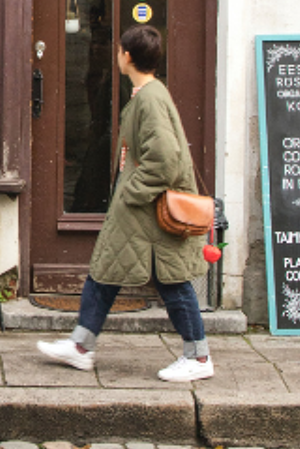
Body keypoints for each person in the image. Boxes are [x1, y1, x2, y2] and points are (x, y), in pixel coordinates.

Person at [38, 25, 213, 382]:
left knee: (172, 282)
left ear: (128, 56)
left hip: (146, 212)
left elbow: (164, 158)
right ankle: (81, 346)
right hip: (139, 213)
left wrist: (130, 193)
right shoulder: (148, 93)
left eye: (119, 50)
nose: (116, 54)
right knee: (105, 271)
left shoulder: (149, 97)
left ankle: (198, 357)